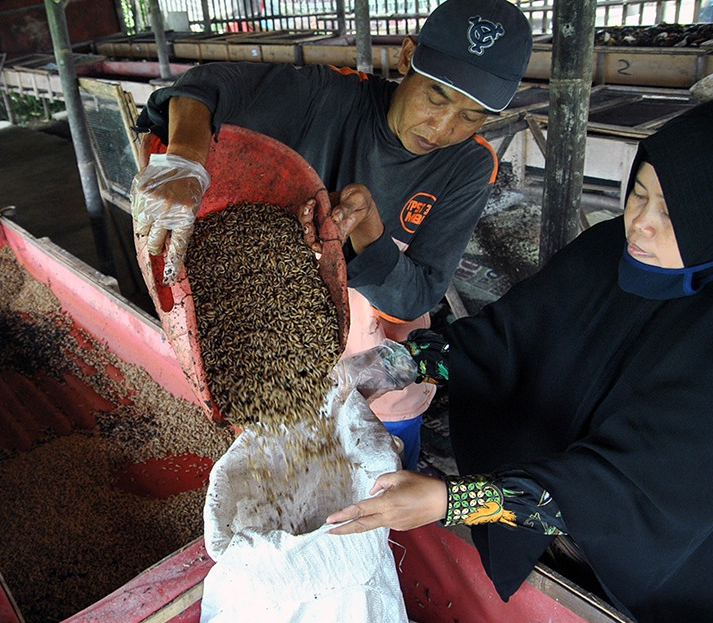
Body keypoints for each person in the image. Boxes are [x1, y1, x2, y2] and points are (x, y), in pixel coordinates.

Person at [325, 100, 713, 622]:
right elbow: (506, 339)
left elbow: (624, 490)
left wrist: (451, 503)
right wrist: (394, 364)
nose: (640, 223)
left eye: (671, 213)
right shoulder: (606, 252)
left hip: (643, 562)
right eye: (638, 194)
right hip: (530, 502)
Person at [131, 0, 534, 469]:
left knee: (382, 499)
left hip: (384, 380)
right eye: (436, 97)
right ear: (407, 57)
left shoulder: (469, 164)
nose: (443, 128)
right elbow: (207, 87)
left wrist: (367, 229)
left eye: (472, 116)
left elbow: (419, 293)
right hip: (274, 361)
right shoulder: (335, 95)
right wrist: (185, 158)